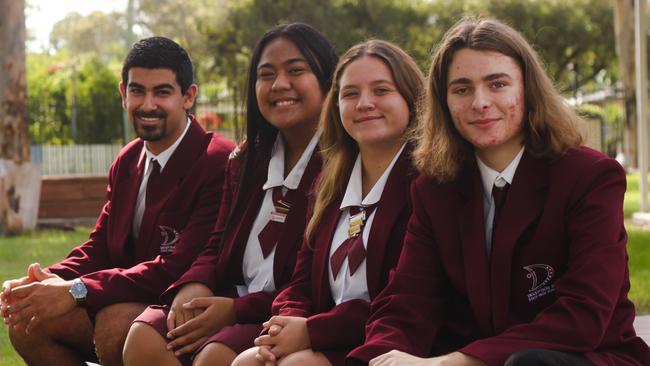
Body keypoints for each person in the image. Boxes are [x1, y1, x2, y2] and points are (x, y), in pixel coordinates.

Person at [347, 18, 650, 366]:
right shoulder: (434, 190)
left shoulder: (589, 177)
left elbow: (583, 317)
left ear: (527, 89)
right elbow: (407, 303)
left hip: (582, 358)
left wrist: (453, 363)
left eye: (497, 84)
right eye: (461, 89)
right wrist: (371, 361)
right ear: (444, 102)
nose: (480, 102)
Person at [0, 36, 235, 366]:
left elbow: (178, 267)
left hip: (187, 309)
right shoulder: (127, 160)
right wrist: (41, 282)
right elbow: (100, 247)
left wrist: (76, 290)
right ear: (123, 94)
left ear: (188, 96)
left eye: (162, 92)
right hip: (126, 297)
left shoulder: (217, 160)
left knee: (116, 322)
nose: (148, 104)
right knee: (30, 321)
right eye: (138, 90)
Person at [122, 23, 338, 366]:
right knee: (144, 337)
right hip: (232, 296)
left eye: (296, 70)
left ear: (328, 81)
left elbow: (309, 281)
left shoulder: (341, 165)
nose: (279, 84)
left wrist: (234, 311)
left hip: (286, 310)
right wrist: (195, 283)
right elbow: (217, 242)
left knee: (215, 357)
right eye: (266, 74)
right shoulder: (246, 161)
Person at [232, 39, 424, 366]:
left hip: (393, 342)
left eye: (381, 91)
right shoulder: (329, 183)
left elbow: (405, 300)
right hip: (332, 334)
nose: (364, 104)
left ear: (411, 98)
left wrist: (312, 331)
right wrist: (285, 323)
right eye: (350, 94)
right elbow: (301, 282)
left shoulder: (425, 185)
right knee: (248, 362)